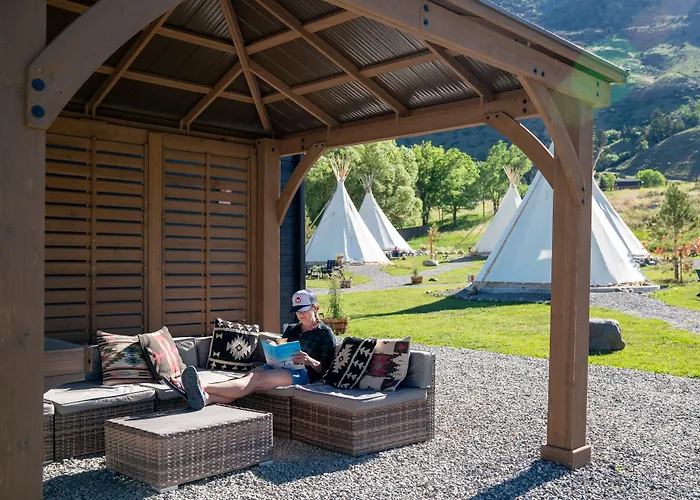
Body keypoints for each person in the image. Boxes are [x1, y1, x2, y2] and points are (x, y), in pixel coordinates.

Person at [179, 290, 336, 410]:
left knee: (254, 381)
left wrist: (310, 360)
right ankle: (206, 398)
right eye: (297, 310)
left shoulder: (325, 333)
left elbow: (326, 369)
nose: (300, 314)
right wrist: (274, 348)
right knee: (249, 377)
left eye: (304, 310)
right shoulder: (292, 329)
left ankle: (201, 386)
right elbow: (283, 350)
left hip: (302, 374)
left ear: (315, 308)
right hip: (279, 366)